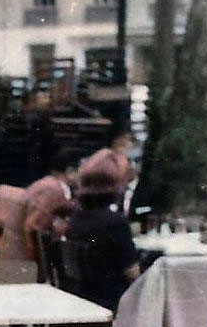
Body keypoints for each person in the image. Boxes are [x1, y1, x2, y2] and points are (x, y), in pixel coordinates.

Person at [66, 171, 140, 311]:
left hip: (81, 294)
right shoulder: (116, 222)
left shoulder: (75, 220)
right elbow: (132, 271)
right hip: (111, 298)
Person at [23, 151, 77, 256]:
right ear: (70, 171)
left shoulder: (50, 185)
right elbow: (34, 227)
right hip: (27, 258)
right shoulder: (52, 189)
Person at [78, 129, 136, 202]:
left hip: (114, 196)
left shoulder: (124, 159)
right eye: (125, 139)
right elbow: (84, 171)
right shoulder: (104, 155)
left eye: (129, 140)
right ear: (116, 141)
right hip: (99, 197)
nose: (128, 143)